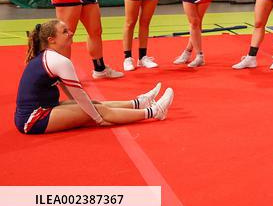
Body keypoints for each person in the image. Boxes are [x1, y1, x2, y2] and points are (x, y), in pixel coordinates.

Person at [15, 20, 173, 135]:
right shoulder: (58, 60)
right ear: (52, 40)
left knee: (94, 104)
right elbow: (79, 95)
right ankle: (154, 112)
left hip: (44, 109)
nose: (71, 33)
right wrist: (98, 118)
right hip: (33, 119)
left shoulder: (49, 56)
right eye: (64, 32)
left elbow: (71, 92)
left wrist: (84, 108)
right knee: (98, 109)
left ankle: (138, 103)